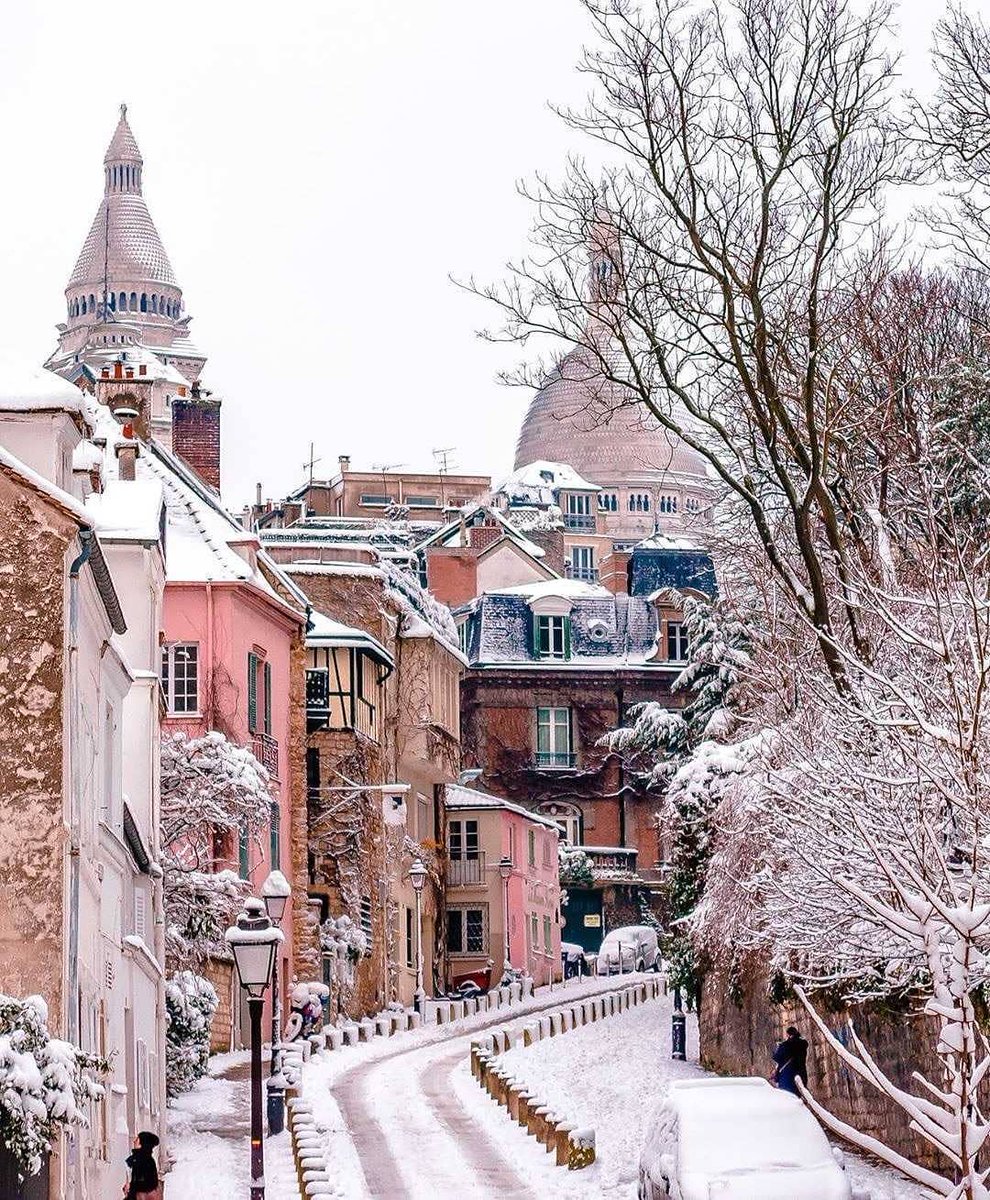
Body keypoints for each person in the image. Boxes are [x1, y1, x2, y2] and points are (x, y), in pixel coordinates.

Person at [122, 1130, 160, 1199]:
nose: (134, 1141)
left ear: (142, 1143)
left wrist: (131, 1186)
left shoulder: (147, 1161)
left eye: (137, 1140)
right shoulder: (135, 1159)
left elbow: (150, 1184)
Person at [772, 1026, 809, 1095]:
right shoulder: (803, 1044)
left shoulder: (786, 1045)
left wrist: (779, 1047)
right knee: (799, 1096)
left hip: (787, 1074)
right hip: (801, 1073)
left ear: (789, 1035)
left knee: (787, 1096)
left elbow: (776, 1057)